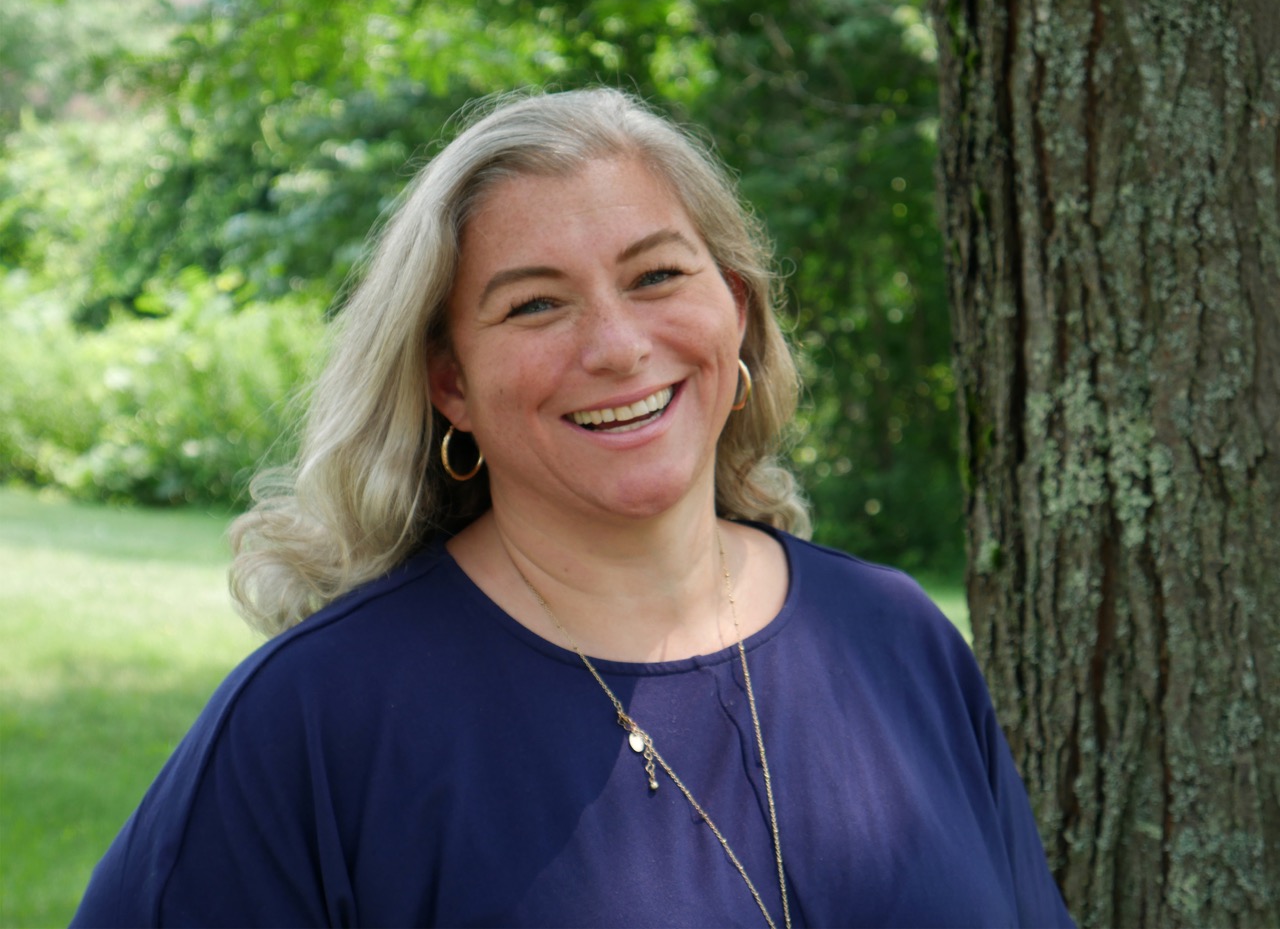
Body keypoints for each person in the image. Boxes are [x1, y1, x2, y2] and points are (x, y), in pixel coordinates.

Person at [73, 88, 1074, 928]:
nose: (615, 345)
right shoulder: (316, 720)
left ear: (735, 311)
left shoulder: (895, 639)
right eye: (534, 305)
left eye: (655, 276)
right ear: (449, 383)